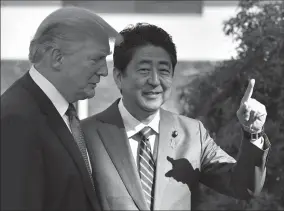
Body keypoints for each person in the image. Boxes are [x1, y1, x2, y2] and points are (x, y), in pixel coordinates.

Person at [82, 23, 271, 210]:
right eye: (144, 70)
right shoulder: (84, 135)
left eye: (164, 70)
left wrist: (253, 133)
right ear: (119, 77)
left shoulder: (191, 133)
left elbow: (243, 186)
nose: (155, 81)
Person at [1, 6, 118, 210]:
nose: (104, 71)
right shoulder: (17, 119)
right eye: (96, 59)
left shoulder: (62, 113)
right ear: (57, 58)